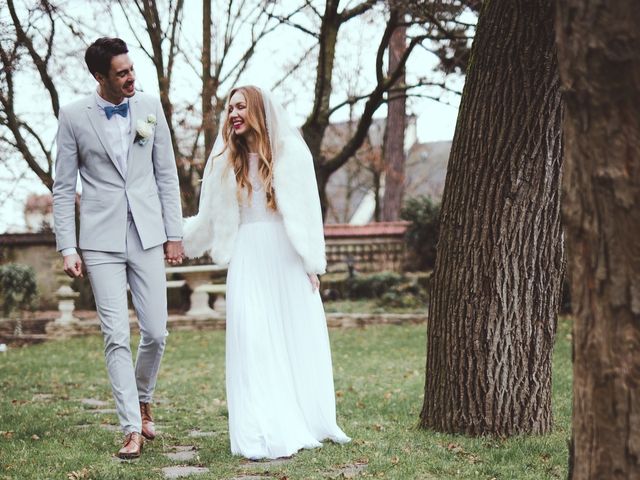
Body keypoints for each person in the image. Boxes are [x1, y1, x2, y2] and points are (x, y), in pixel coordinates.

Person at [183, 85, 350, 459]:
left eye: (240, 106)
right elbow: (208, 218)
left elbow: (308, 215)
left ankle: (300, 418)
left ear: (258, 109)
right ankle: (260, 427)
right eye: (229, 108)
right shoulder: (223, 162)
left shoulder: (291, 155)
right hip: (248, 258)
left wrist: (311, 264)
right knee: (252, 338)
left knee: (292, 338)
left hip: (286, 257)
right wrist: (176, 240)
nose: (233, 113)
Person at [52, 37, 184, 459]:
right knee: (115, 336)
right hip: (99, 240)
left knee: (157, 333)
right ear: (100, 77)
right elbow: (62, 187)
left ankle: (143, 397)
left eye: (132, 69)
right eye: (122, 73)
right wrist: (67, 246)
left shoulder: (149, 107)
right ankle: (131, 427)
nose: (131, 78)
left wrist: (174, 232)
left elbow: (166, 174)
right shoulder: (73, 116)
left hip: (147, 233)